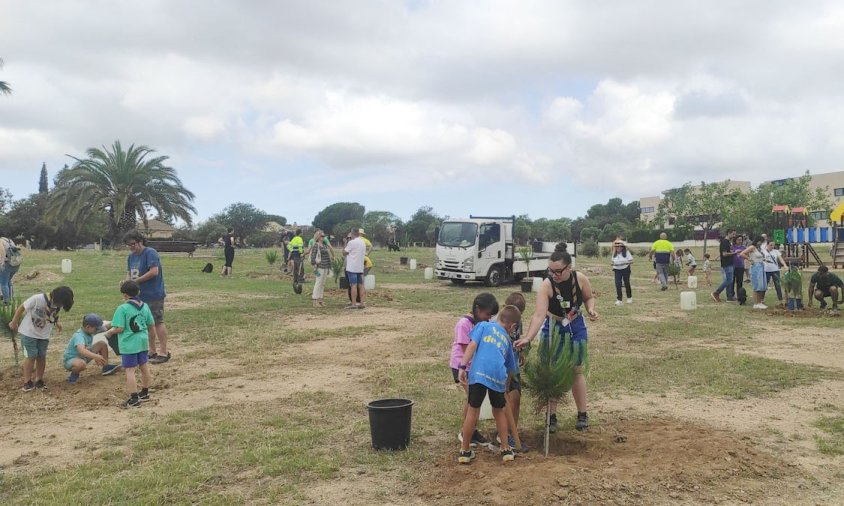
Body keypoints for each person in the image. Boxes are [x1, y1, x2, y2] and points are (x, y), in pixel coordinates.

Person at [515, 243, 598, 433]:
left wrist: (591, 309)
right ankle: (551, 416)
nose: (553, 275)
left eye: (557, 271)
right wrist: (528, 337)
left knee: (576, 370)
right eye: (550, 271)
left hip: (576, 325)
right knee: (550, 369)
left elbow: (588, 297)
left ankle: (582, 415)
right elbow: (538, 315)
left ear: (569, 267)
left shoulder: (580, 279)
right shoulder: (546, 285)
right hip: (553, 326)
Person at [457, 304, 521, 464]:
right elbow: (511, 370)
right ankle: (506, 449)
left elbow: (472, 345)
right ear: (512, 326)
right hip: (497, 376)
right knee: (499, 411)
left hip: (478, 373)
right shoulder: (507, 340)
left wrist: (463, 366)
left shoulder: (483, 326)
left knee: (473, 411)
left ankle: (465, 451)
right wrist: (505, 387)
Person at [450, 293, 498, 449]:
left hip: (474, 367)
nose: (488, 319)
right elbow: (466, 349)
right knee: (472, 402)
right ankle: (467, 433)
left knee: (471, 401)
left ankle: (470, 430)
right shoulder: (464, 324)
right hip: (462, 366)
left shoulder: (480, 324)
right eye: (487, 314)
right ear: (477, 309)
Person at [8, 286, 75, 391]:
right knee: (31, 356)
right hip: (28, 333)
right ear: (55, 297)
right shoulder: (37, 298)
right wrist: (14, 321)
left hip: (44, 335)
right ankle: (27, 381)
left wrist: (57, 323)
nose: (60, 306)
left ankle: (39, 379)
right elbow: (22, 307)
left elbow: (54, 315)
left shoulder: (58, 304)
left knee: (41, 356)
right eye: (61, 303)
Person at [104, 280, 154, 408]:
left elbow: (119, 328)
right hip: (143, 341)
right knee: (144, 366)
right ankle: (145, 392)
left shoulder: (122, 308)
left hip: (129, 343)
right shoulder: (145, 306)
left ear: (125, 295)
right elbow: (150, 324)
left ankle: (134, 398)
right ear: (139, 291)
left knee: (130, 370)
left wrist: (109, 332)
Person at [125, 230, 170, 364]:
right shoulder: (131, 256)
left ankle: (163, 352)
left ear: (140, 241)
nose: (131, 247)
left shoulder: (150, 253)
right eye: (128, 245)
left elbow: (154, 272)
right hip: (139, 295)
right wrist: (127, 283)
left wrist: (136, 281)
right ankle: (152, 350)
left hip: (153, 294)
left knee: (157, 322)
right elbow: (129, 272)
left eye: (133, 244)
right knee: (145, 324)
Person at [499, 292, 528, 453]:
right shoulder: (498, 323)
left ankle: (511, 432)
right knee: (508, 399)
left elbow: (518, 338)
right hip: (502, 367)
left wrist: (521, 352)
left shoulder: (518, 322)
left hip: (513, 366)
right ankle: (505, 434)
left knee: (515, 398)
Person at [64, 313, 121, 384]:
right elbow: (81, 350)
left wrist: (117, 322)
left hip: (84, 356)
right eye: (96, 329)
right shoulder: (79, 335)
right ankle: (73, 377)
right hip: (71, 360)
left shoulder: (89, 331)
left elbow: (106, 327)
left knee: (102, 344)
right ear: (88, 327)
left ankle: (105, 367)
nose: (98, 330)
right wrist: (95, 356)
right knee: (81, 364)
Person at [740, 236, 768, 309]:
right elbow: (742, 253)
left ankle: (759, 302)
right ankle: (756, 303)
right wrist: (749, 259)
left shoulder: (759, 249)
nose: (761, 243)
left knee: (761, 285)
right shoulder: (752, 247)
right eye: (760, 241)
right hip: (756, 267)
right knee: (756, 285)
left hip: (761, 266)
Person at [711, 230, 737, 302]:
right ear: (728, 233)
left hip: (730, 263)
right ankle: (716, 292)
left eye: (735, 234)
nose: (734, 236)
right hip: (726, 264)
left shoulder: (728, 242)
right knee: (729, 280)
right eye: (733, 234)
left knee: (730, 281)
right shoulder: (724, 242)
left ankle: (729, 296)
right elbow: (724, 254)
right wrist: (734, 253)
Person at [343, 228, 366, 309]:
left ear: (352, 234)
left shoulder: (351, 242)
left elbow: (344, 252)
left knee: (353, 285)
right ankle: (362, 302)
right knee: (361, 285)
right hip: (360, 267)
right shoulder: (363, 242)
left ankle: (353, 303)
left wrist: (346, 241)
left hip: (352, 267)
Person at [309, 230, 333, 308]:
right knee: (318, 283)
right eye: (322, 236)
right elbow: (313, 257)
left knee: (322, 284)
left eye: (324, 236)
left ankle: (320, 299)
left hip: (326, 266)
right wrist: (315, 265)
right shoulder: (316, 245)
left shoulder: (324, 245)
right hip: (320, 267)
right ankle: (315, 300)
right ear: (318, 237)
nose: (323, 237)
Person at [0, 235, 23, 303]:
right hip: (15, 263)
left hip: (7, 264)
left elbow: (2, 254)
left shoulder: (0, 242)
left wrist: (1, 264)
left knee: (3, 283)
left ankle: (6, 301)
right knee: (8, 281)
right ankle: (10, 298)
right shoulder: (9, 240)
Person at [611, 240, 634, 305]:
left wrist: (623, 263)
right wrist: (613, 264)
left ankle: (629, 297)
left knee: (626, 283)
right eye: (616, 246)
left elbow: (631, 261)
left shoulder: (626, 252)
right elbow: (612, 261)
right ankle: (619, 299)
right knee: (618, 284)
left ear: (622, 247)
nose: (617, 248)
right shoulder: (614, 253)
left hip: (625, 269)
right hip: (617, 269)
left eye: (619, 246)